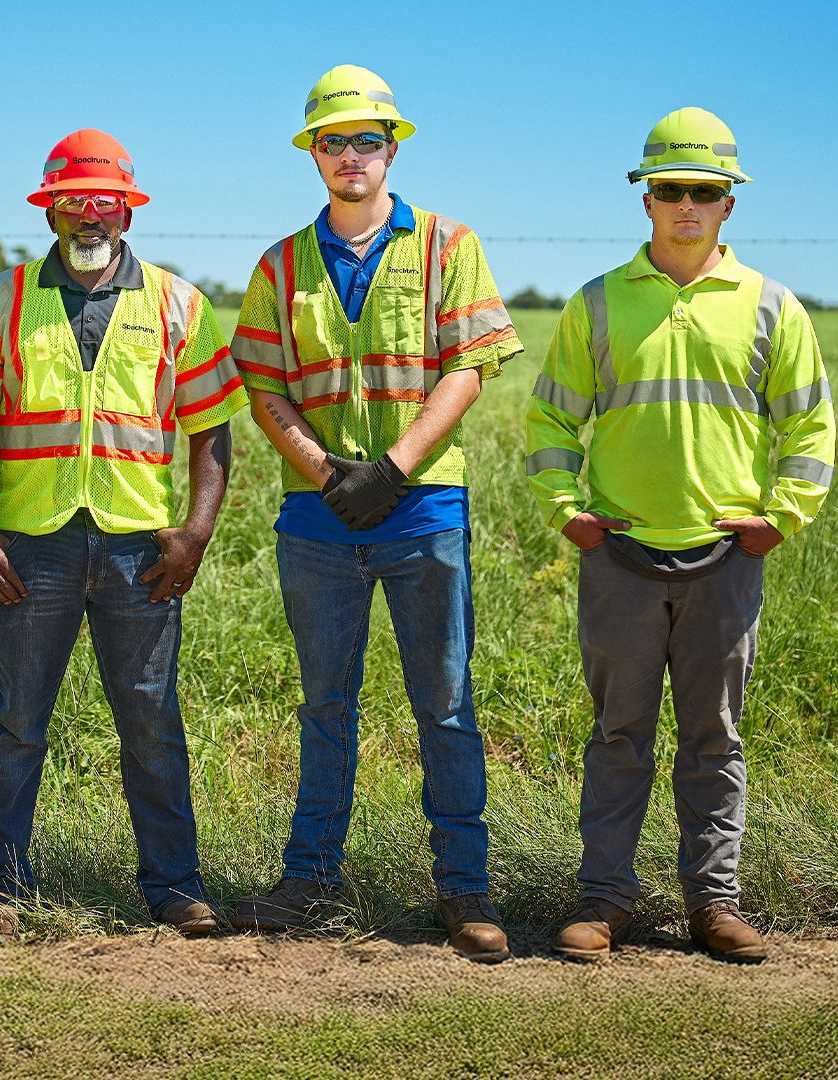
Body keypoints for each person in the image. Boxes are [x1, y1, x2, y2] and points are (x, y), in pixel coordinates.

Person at [227, 66, 523, 963]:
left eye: (366, 140)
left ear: (392, 149)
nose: (349, 155)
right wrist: (327, 473)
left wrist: (392, 468)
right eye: (332, 141)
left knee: (445, 703)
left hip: (423, 506)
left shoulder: (446, 245)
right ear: (312, 153)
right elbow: (265, 385)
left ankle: (463, 889)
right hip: (320, 518)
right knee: (326, 705)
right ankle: (311, 875)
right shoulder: (281, 263)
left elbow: (467, 366)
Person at [526, 107, 834, 964]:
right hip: (618, 557)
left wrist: (779, 520)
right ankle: (604, 902)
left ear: (729, 204)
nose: (687, 206)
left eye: (705, 192)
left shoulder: (773, 307)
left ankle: (715, 905)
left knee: (714, 738)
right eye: (671, 190)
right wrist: (569, 513)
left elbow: (809, 430)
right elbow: (552, 417)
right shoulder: (596, 303)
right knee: (619, 737)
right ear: (647, 199)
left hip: (725, 563)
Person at [0, 129, 248, 940]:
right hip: (29, 546)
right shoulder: (2, 300)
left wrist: (193, 533)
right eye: (73, 201)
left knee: (152, 720)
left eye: (104, 201)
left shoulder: (179, 303)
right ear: (49, 210)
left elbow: (213, 429)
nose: (90, 216)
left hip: (138, 550)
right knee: (17, 719)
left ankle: (175, 887)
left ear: (128, 210)